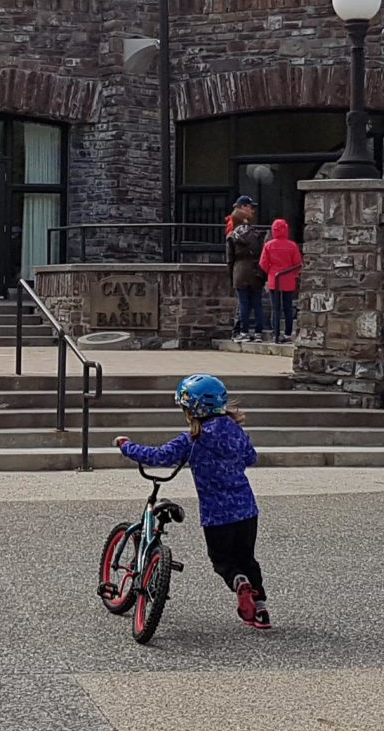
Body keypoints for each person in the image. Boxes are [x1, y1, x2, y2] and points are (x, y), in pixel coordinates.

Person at [115, 372, 270, 630]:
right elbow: (250, 457)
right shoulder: (236, 431)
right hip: (246, 509)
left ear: (191, 409)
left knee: (222, 561)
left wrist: (126, 446)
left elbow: (159, 456)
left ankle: (238, 582)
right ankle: (261, 611)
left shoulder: (193, 439)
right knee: (247, 558)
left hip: (216, 515)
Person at [225, 197, 267, 343]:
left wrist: (231, 274)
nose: (253, 210)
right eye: (250, 207)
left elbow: (230, 258)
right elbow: (262, 253)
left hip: (239, 270)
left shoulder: (232, 235)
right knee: (257, 302)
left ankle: (243, 332)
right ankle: (258, 332)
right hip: (255, 270)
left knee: (243, 302)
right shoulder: (256, 234)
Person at [258, 217, 303, 343]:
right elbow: (298, 264)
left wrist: (271, 272)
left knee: (275, 309)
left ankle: (275, 334)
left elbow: (263, 263)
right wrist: (293, 274)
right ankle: (288, 333)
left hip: (274, 279)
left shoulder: (268, 245)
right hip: (288, 279)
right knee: (288, 308)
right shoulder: (292, 246)